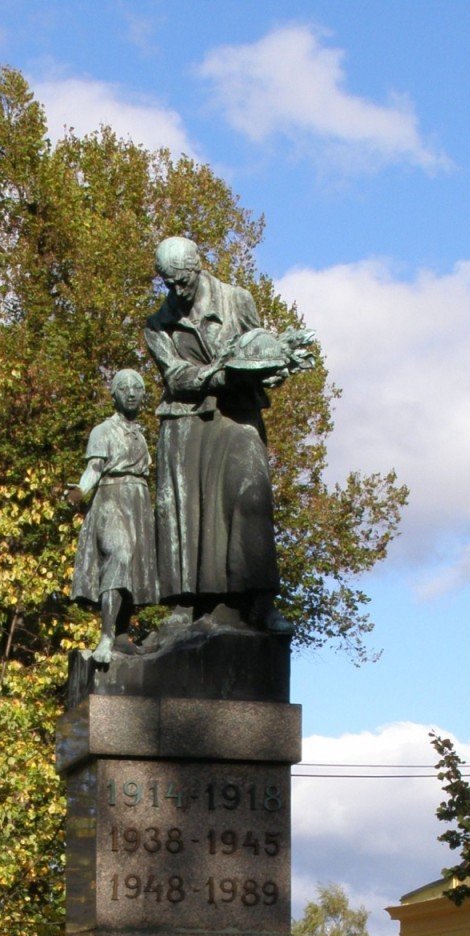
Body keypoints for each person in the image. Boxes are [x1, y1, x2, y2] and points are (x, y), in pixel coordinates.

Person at [144, 236, 315, 636]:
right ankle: (182, 608)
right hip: (185, 421)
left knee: (250, 496)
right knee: (184, 513)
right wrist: (220, 374)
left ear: (197, 267)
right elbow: (175, 376)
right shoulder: (158, 325)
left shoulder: (237, 300)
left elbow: (260, 347)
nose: (175, 290)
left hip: (237, 415)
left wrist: (272, 368)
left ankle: (259, 602)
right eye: (167, 283)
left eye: (180, 281)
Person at [68, 369, 158, 664]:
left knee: (134, 568)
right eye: (125, 388)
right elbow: (94, 468)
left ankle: (121, 635)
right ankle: (106, 636)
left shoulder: (142, 435)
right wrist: (80, 490)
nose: (132, 393)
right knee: (119, 556)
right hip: (112, 497)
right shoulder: (103, 431)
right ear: (114, 395)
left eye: (137, 388)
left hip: (139, 502)